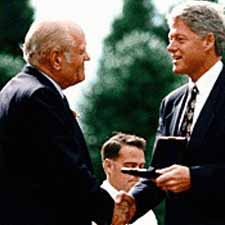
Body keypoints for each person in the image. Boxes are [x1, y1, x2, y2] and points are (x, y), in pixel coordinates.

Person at [0, 19, 133, 225]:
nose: (87, 57)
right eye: (81, 51)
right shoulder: (40, 96)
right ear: (56, 59)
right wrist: (109, 211)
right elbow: (65, 170)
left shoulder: (15, 89)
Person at [124, 1, 225, 225]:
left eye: (180, 39)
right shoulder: (171, 103)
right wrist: (130, 204)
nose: (170, 47)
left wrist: (195, 178)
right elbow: (159, 173)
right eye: (170, 39)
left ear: (208, 41)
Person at [99, 132, 158, 225]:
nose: (138, 173)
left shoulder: (146, 212)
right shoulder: (94, 209)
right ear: (108, 166)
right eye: (131, 166)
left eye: (141, 167)